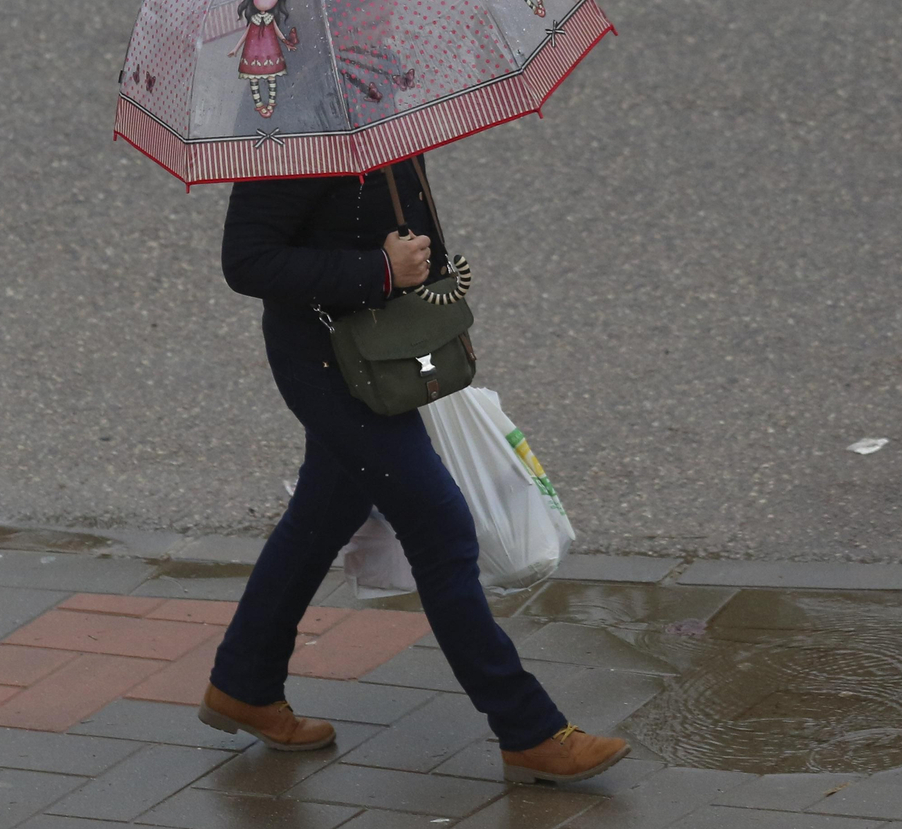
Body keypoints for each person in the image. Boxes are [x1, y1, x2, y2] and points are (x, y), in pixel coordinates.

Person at [197, 157, 629, 785]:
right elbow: (248, 260)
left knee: (326, 511)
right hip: (330, 364)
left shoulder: (381, 110)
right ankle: (530, 730)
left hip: (387, 354)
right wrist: (379, 269)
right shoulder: (292, 136)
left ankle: (243, 683)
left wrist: (428, 275)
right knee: (441, 525)